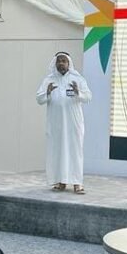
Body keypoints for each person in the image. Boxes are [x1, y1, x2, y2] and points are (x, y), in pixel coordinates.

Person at [35, 52, 91, 194]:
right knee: (57, 152)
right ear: (55, 63)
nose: (61, 63)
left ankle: (77, 183)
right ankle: (60, 181)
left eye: (64, 61)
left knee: (75, 152)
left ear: (68, 63)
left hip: (73, 123)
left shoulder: (77, 79)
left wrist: (78, 93)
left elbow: (88, 97)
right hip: (56, 124)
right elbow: (39, 99)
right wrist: (47, 93)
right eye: (58, 61)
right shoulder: (49, 80)